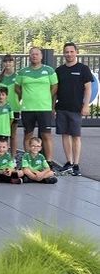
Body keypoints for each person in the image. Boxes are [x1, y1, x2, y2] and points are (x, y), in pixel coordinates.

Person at [15, 47, 59, 167]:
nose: (34, 56)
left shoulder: (49, 70)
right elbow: (17, 87)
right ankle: (28, 161)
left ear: (41, 56)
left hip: (44, 108)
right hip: (27, 108)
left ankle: (49, 162)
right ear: (29, 56)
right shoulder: (23, 72)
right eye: (32, 54)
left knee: (46, 135)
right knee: (28, 135)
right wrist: (24, 95)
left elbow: (55, 86)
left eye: (37, 54)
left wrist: (46, 97)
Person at [54, 42, 93, 176]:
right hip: (62, 108)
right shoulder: (59, 70)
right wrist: (53, 107)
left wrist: (86, 105)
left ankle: (76, 165)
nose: (69, 54)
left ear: (76, 52)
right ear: (63, 53)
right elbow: (55, 90)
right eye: (66, 52)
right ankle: (69, 162)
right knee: (65, 135)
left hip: (76, 108)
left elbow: (88, 88)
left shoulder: (83, 68)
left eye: (71, 51)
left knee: (76, 136)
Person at [0, 55, 21, 156]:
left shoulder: (18, 77)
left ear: (13, 63)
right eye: (6, 62)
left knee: (13, 135)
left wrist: (16, 102)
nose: (8, 64)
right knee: (2, 135)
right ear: (3, 63)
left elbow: (21, 93)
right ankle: (1, 157)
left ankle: (13, 157)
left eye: (10, 62)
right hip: (2, 109)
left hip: (14, 108)